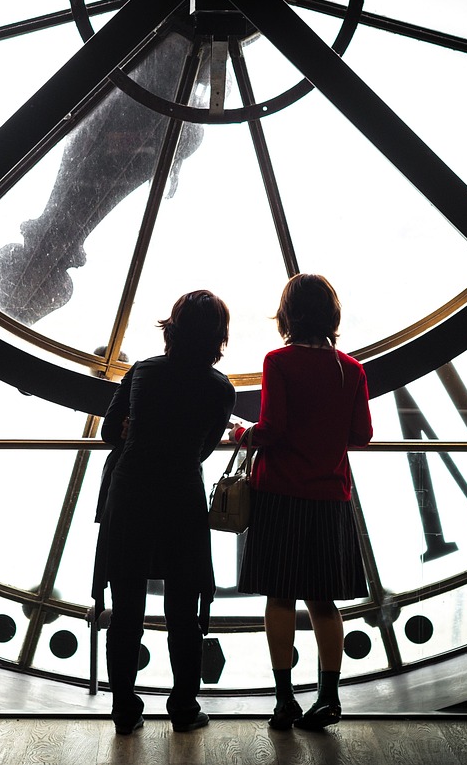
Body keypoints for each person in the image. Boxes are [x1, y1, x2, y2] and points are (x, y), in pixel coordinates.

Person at [92, 290, 236, 735]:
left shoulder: (143, 372)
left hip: (131, 492)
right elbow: (204, 449)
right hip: (181, 497)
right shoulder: (220, 389)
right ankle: (183, 707)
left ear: (171, 328)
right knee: (184, 611)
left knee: (126, 608)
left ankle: (123, 709)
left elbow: (107, 435)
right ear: (217, 338)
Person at [233, 273, 373, 732]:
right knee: (324, 602)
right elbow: (361, 436)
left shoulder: (279, 361)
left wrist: (242, 434)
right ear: (332, 316)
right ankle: (329, 697)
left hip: (280, 495)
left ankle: (284, 700)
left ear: (288, 316)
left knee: (279, 598)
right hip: (330, 496)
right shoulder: (351, 370)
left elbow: (270, 428)